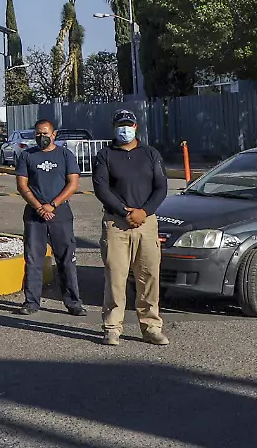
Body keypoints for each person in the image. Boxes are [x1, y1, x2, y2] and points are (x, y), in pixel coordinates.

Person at [93, 108, 170, 346]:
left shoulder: (150, 154)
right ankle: (112, 327)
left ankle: (151, 327)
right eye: (120, 125)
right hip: (117, 224)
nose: (124, 129)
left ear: (136, 127)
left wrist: (143, 212)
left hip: (146, 223)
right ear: (114, 128)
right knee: (115, 277)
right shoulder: (105, 155)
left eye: (128, 124)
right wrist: (125, 211)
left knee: (148, 277)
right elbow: (101, 188)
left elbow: (161, 187)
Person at [16, 118, 85, 317]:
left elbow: (72, 184)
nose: (41, 137)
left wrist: (52, 204)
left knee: (66, 260)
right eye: (38, 133)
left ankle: (73, 303)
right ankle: (31, 302)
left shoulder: (65, 155)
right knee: (33, 259)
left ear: (54, 135)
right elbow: (22, 185)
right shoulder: (26, 156)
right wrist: (39, 206)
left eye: (45, 133)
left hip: (60, 213)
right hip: (34, 215)